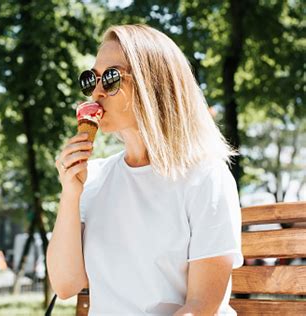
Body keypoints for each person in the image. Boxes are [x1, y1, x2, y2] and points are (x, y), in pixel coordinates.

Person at [47, 24, 243, 315]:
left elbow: (201, 306)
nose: (96, 92)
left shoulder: (204, 177)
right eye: (91, 79)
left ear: (152, 84)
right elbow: (65, 285)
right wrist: (70, 193)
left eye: (111, 78)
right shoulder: (96, 178)